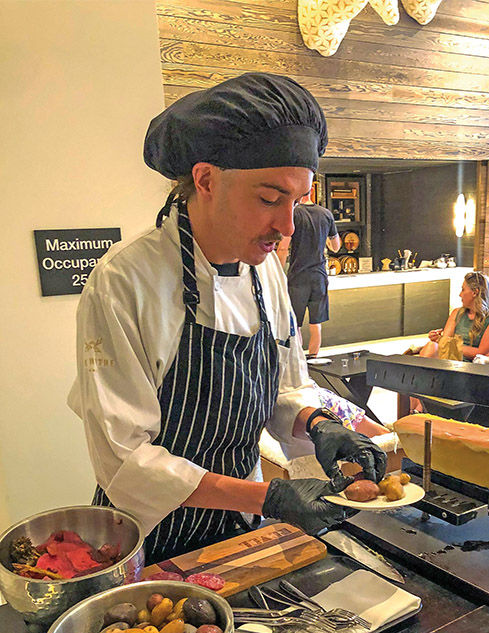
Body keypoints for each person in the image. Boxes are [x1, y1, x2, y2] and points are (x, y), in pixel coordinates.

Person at [68, 72, 386, 563]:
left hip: (240, 525)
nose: (286, 226)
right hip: (148, 536)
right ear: (206, 179)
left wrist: (319, 424)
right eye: (269, 198)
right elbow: (125, 460)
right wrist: (269, 497)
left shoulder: (267, 272)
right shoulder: (124, 282)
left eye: (297, 202)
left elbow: (280, 387)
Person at [409, 271, 489, 412]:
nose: (460, 294)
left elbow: (481, 352)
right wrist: (438, 339)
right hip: (447, 358)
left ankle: (418, 410)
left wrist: (448, 343)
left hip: (467, 365)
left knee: (426, 362)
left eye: (463, 289)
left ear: (475, 292)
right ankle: (417, 410)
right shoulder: (457, 312)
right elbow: (442, 343)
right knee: (430, 347)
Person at [279, 195, 341, 357]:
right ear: (311, 193)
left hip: (298, 276)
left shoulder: (293, 214)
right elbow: (336, 246)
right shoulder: (326, 214)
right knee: (316, 323)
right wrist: (324, 241)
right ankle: (314, 358)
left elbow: (283, 248)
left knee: (296, 323)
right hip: (319, 276)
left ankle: (299, 360)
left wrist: (277, 271)